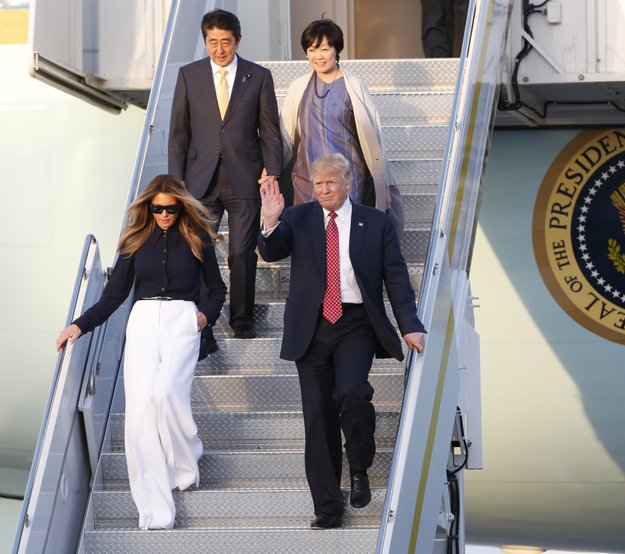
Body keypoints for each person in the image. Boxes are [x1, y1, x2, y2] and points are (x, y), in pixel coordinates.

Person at [258, 154, 426, 529]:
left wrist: (410, 325)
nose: (323, 190)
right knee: (317, 418)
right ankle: (328, 507)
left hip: (355, 324)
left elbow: (396, 278)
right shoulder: (298, 218)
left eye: (330, 183)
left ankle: (360, 465)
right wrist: (270, 220)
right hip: (311, 327)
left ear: (347, 183)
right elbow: (271, 252)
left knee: (351, 393)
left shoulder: (376, 223)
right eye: (317, 185)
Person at [56, 175, 226, 530]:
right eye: (158, 208)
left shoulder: (197, 238)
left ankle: (186, 457)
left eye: (171, 208)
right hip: (143, 321)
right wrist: (79, 325)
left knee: (165, 395)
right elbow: (113, 295)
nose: (164, 214)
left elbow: (217, 289)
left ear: (181, 206)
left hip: (183, 319)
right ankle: (155, 512)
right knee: (138, 417)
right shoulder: (135, 242)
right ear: (148, 207)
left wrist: (204, 317)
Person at [169, 9, 283, 356]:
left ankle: (242, 319)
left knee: (241, 254)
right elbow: (178, 135)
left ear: (238, 40)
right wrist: (176, 185)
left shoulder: (258, 76)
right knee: (195, 252)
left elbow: (270, 130)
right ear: (205, 41)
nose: (219, 49)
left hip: (244, 178)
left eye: (226, 42)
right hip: (198, 181)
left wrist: (272, 169)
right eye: (212, 42)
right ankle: (201, 327)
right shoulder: (189, 75)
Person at [265, 19, 403, 235]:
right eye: (311, 50)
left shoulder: (354, 85)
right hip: (307, 180)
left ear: (337, 50)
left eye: (324, 49)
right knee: (311, 242)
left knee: (347, 241)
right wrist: (271, 169)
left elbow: (375, 136)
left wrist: (383, 183)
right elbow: (284, 136)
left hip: (348, 180)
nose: (318, 56)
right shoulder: (298, 87)